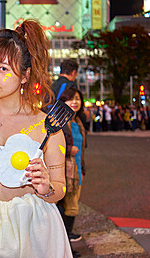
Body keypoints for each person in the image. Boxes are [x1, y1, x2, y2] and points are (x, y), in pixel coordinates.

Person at [0, 19, 72, 257]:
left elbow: (60, 189)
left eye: (3, 69)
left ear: (24, 75)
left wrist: (46, 187)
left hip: (33, 227)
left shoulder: (48, 126)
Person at [58, 88, 86, 255]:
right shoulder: (61, 121)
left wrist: (82, 169)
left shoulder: (78, 122)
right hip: (66, 173)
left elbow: (82, 150)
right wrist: (68, 150)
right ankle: (66, 247)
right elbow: (52, 146)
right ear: (63, 102)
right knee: (67, 210)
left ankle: (67, 243)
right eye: (71, 99)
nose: (75, 102)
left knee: (72, 209)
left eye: (78, 99)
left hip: (77, 173)